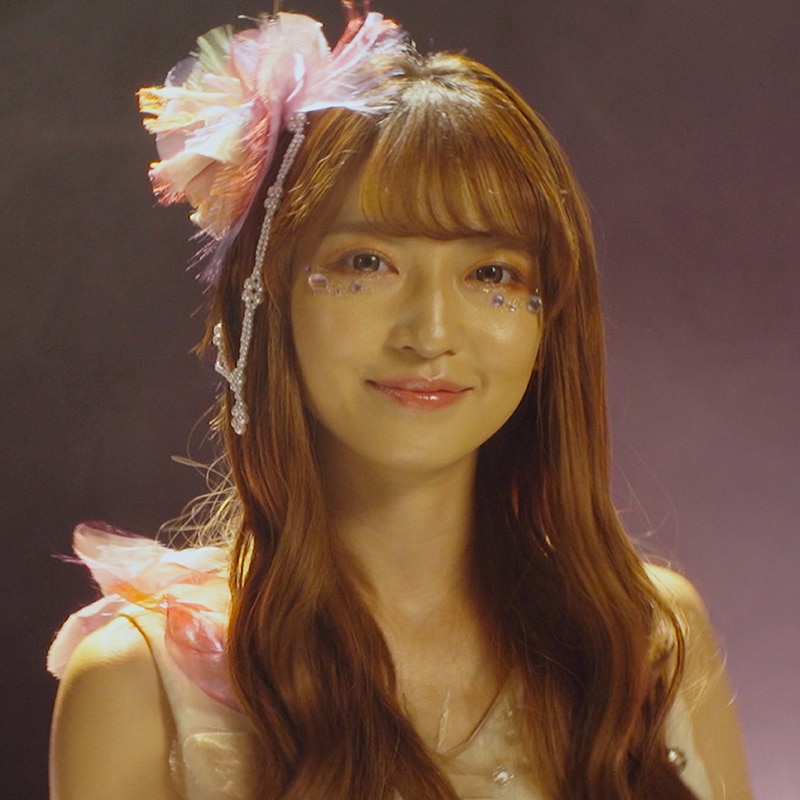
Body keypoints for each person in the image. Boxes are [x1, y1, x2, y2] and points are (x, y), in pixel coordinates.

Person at [47, 4, 752, 799]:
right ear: (266, 300)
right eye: (367, 262)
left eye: (492, 274)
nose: (431, 332)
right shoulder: (142, 686)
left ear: (550, 324)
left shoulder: (650, 640)